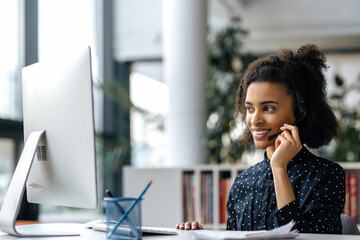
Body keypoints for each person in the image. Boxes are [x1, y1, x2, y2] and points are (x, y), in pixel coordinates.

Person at [175, 44, 345, 234]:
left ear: (300, 110)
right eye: (249, 108)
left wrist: (279, 168)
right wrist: (198, 235)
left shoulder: (326, 176)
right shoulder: (242, 183)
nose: (254, 120)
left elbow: (302, 237)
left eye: (268, 108)